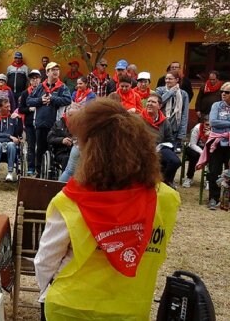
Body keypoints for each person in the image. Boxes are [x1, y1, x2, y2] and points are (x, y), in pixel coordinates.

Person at [34, 98, 180, 320]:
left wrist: (46, 292)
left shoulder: (71, 201)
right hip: (132, 307)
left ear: (90, 151)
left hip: (70, 308)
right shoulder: (168, 200)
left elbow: (45, 261)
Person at [29, 62, 72, 177]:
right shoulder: (40, 87)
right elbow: (29, 101)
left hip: (55, 125)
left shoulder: (62, 87)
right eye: (53, 69)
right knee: (40, 149)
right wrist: (40, 100)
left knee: (53, 148)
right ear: (47, 72)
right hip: (40, 123)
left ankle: (52, 172)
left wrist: (53, 99)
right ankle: (38, 172)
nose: (55, 72)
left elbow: (68, 100)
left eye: (57, 69)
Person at [141, 93, 181, 188]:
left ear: (159, 106)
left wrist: (170, 147)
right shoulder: (139, 119)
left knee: (175, 161)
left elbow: (169, 138)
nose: (149, 104)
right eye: (149, 101)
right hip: (143, 150)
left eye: (153, 102)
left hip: (160, 148)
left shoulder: (164, 121)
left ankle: (165, 183)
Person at [206, 82, 230, 210]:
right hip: (217, 143)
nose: (223, 94)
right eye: (222, 91)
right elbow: (213, 121)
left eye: (226, 92)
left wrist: (223, 124)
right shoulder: (216, 105)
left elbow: (218, 123)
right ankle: (213, 198)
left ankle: (227, 200)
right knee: (214, 171)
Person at [0, 98, 22, 182]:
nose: (9, 109)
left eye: (9, 106)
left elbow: (18, 133)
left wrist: (19, 119)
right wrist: (8, 136)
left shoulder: (12, 118)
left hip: (9, 144)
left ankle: (10, 172)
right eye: (6, 107)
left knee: (11, 145)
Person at [156, 71, 190, 150]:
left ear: (177, 80)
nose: (167, 80)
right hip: (160, 127)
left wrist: (181, 134)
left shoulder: (183, 94)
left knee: (171, 153)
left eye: (170, 79)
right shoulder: (159, 90)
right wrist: (171, 92)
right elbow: (159, 103)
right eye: (166, 78)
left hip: (175, 129)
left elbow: (185, 115)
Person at [17, 69, 42, 175]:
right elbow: (20, 109)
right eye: (32, 79)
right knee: (31, 146)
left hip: (41, 123)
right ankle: (31, 167)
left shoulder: (44, 92)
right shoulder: (25, 93)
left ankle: (40, 167)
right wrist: (29, 109)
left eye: (36, 78)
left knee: (41, 146)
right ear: (30, 81)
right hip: (30, 123)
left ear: (40, 79)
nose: (35, 80)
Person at [183, 116, 210, 188]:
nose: (209, 126)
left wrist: (210, 135)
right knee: (194, 155)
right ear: (203, 123)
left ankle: (208, 180)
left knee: (213, 156)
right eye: (207, 124)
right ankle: (189, 177)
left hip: (208, 149)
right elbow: (192, 144)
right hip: (195, 148)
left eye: (211, 125)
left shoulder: (214, 130)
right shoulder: (197, 128)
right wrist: (202, 153)